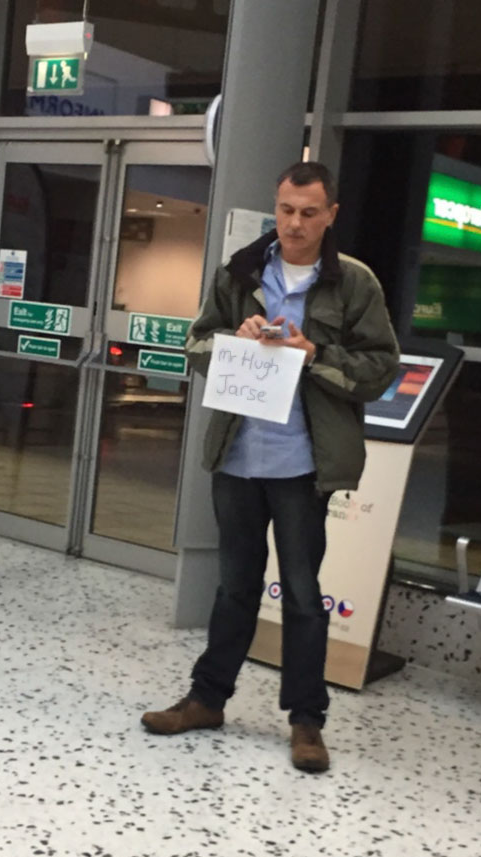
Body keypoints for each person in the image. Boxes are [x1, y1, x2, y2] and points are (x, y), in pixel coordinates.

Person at [141, 161, 399, 772]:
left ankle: (306, 722)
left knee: (305, 597)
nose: (295, 223)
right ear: (275, 207)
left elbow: (381, 369)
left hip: (303, 466)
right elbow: (196, 344)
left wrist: (316, 353)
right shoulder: (241, 272)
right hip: (237, 457)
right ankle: (207, 700)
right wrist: (236, 337)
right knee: (234, 587)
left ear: (331, 215)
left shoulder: (353, 282)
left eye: (310, 212)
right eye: (286, 209)